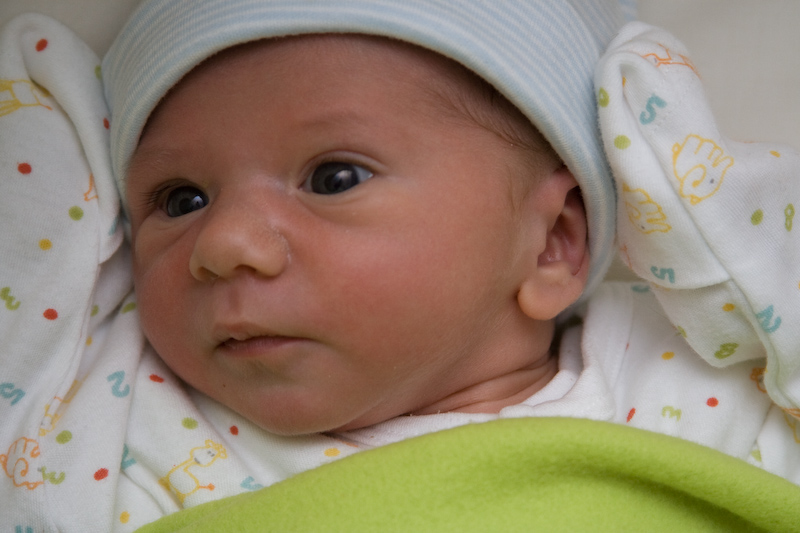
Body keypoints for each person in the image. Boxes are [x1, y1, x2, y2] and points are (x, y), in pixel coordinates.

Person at [2, 0, 799, 530]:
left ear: (553, 240)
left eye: (333, 178)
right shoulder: (125, 419)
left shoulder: (697, 379)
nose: (222, 245)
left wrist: (729, 230)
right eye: (179, 199)